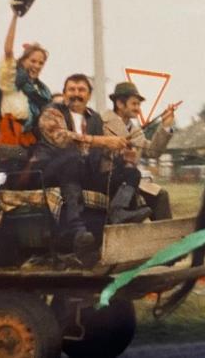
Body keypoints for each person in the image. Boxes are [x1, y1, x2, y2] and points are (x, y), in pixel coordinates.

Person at [32, 74, 132, 260]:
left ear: (89, 95)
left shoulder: (94, 118)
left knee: (130, 173)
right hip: (52, 170)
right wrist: (102, 141)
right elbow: (61, 138)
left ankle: (120, 214)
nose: (76, 94)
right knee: (72, 157)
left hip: (84, 171)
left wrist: (119, 155)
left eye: (81, 90)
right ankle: (77, 230)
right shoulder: (52, 112)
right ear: (64, 93)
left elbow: (102, 151)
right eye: (71, 89)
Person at [101, 81, 176, 222]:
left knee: (161, 195)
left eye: (139, 105)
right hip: (108, 179)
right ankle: (118, 212)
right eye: (134, 104)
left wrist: (165, 126)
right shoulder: (102, 123)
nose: (138, 109)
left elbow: (153, 152)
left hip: (131, 180)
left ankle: (164, 238)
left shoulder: (136, 131)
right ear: (119, 104)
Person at [0, 4, 51, 172]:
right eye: (33, 61)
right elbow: (8, 51)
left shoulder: (41, 90)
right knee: (9, 179)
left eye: (41, 63)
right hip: (11, 138)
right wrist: (15, 17)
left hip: (31, 140)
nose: (37, 66)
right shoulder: (11, 80)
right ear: (23, 60)